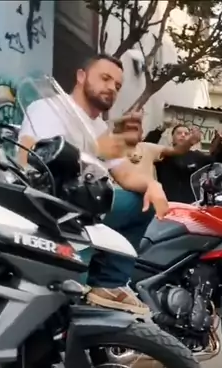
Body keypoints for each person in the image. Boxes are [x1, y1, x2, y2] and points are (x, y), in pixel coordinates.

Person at [18, 53, 169, 317]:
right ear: (81, 76)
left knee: (140, 203)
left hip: (84, 206)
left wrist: (152, 184)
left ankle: (108, 285)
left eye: (118, 85)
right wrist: (91, 153)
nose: (111, 88)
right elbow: (28, 157)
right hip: (48, 204)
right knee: (63, 305)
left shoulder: (100, 128)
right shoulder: (49, 108)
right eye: (105, 78)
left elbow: (125, 173)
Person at [151, 124, 222, 203]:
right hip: (167, 203)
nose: (183, 135)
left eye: (186, 134)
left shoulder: (196, 156)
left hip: (190, 205)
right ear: (172, 138)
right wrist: (160, 129)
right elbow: (146, 147)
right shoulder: (164, 154)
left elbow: (217, 161)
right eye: (179, 133)